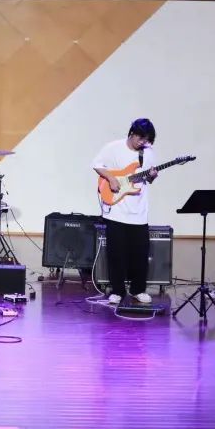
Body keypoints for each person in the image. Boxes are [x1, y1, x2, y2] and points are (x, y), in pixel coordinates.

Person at [92, 118, 158, 305]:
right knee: (116, 254)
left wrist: (152, 176)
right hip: (117, 210)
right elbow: (97, 164)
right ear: (132, 133)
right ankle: (118, 291)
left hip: (139, 212)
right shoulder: (113, 147)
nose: (143, 143)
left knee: (140, 254)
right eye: (141, 139)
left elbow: (148, 179)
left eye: (147, 140)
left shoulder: (148, 153)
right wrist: (112, 179)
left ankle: (138, 290)